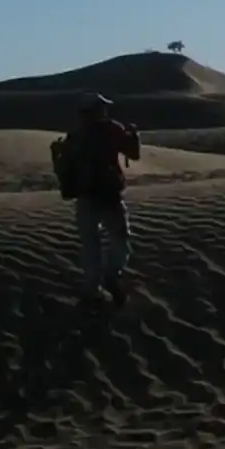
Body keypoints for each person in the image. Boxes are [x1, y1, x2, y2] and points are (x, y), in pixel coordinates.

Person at [60, 93, 141, 303]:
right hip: (107, 196)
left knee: (91, 244)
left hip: (86, 197)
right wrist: (133, 136)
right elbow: (133, 153)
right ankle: (111, 277)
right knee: (120, 240)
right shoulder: (111, 129)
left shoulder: (74, 136)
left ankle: (93, 287)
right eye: (101, 108)